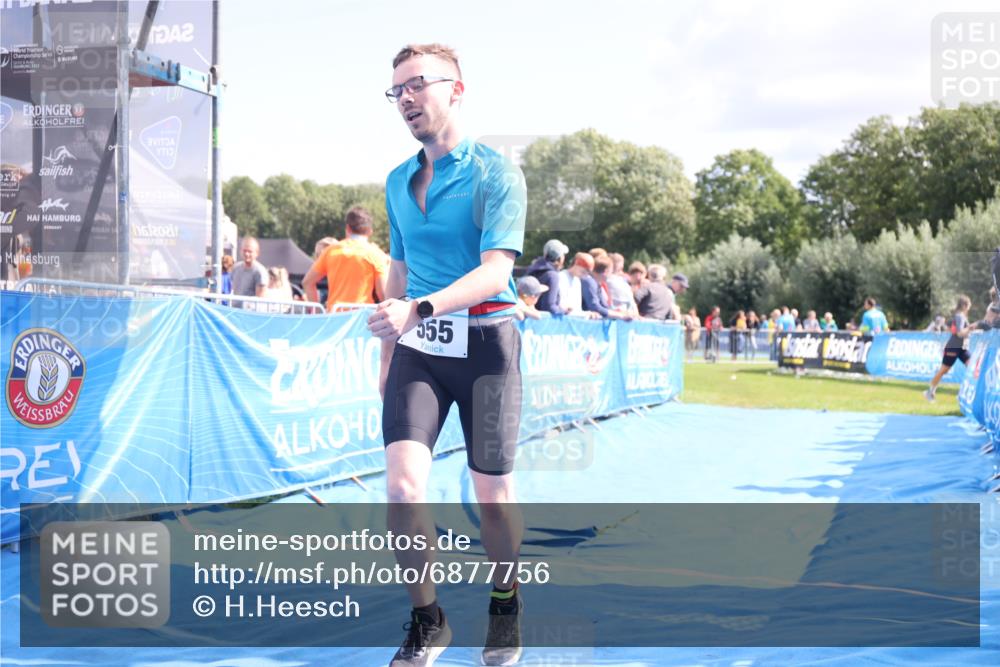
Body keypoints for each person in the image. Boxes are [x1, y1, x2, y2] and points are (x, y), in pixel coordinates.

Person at [366, 43, 526, 667]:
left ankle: (506, 602)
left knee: (493, 495)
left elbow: (494, 275)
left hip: (488, 343)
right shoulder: (397, 182)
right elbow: (398, 276)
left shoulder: (496, 174)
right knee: (403, 491)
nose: (406, 98)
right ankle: (427, 620)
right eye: (396, 90)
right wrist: (389, 349)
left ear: (456, 89)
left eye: (417, 85)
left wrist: (420, 310)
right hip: (419, 350)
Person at [303, 206, 389, 310]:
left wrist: (317, 311)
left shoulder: (331, 251)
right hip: (361, 317)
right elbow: (383, 294)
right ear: (370, 231)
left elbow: (307, 282)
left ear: (347, 228)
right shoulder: (375, 253)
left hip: (335, 316)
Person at [924, 295, 973, 401]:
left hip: (961, 348)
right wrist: (971, 328)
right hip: (954, 347)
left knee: (972, 367)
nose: (970, 307)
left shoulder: (961, 316)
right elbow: (959, 333)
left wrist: (972, 330)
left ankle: (965, 392)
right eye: (969, 305)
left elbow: (958, 331)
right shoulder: (960, 316)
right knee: (944, 370)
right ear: (964, 305)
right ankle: (930, 391)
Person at [527, 239, 568, 315]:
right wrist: (564, 311)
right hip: (541, 322)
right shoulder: (552, 276)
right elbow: (549, 307)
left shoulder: (532, 269)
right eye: (563, 255)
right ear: (559, 258)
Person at [582, 255, 630, 319]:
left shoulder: (597, 283)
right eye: (611, 271)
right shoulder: (589, 281)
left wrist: (619, 313)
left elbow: (604, 306)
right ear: (606, 271)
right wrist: (620, 316)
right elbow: (594, 307)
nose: (611, 275)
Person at [559, 252, 594, 316]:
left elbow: (577, 308)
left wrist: (586, 314)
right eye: (583, 272)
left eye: (586, 273)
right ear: (576, 264)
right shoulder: (561, 277)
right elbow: (562, 305)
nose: (584, 276)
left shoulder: (577, 281)